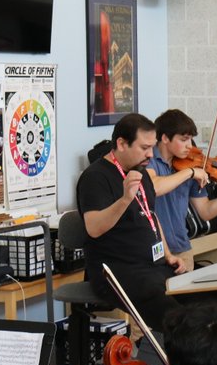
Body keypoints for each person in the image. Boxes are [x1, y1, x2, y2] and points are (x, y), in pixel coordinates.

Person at [78, 113, 185, 329]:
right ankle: (159, 357)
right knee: (175, 316)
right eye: (144, 148)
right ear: (121, 143)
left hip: (153, 265)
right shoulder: (95, 177)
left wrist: (168, 254)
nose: (150, 154)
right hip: (118, 270)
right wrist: (125, 199)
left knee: (203, 297)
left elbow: (151, 216)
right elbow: (94, 228)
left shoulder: (141, 172)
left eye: (152, 147)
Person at [148, 109, 217, 271]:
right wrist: (190, 173)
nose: (189, 146)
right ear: (165, 138)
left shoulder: (191, 166)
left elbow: (205, 212)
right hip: (156, 252)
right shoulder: (150, 160)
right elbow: (154, 187)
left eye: (191, 139)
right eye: (184, 139)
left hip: (183, 249)